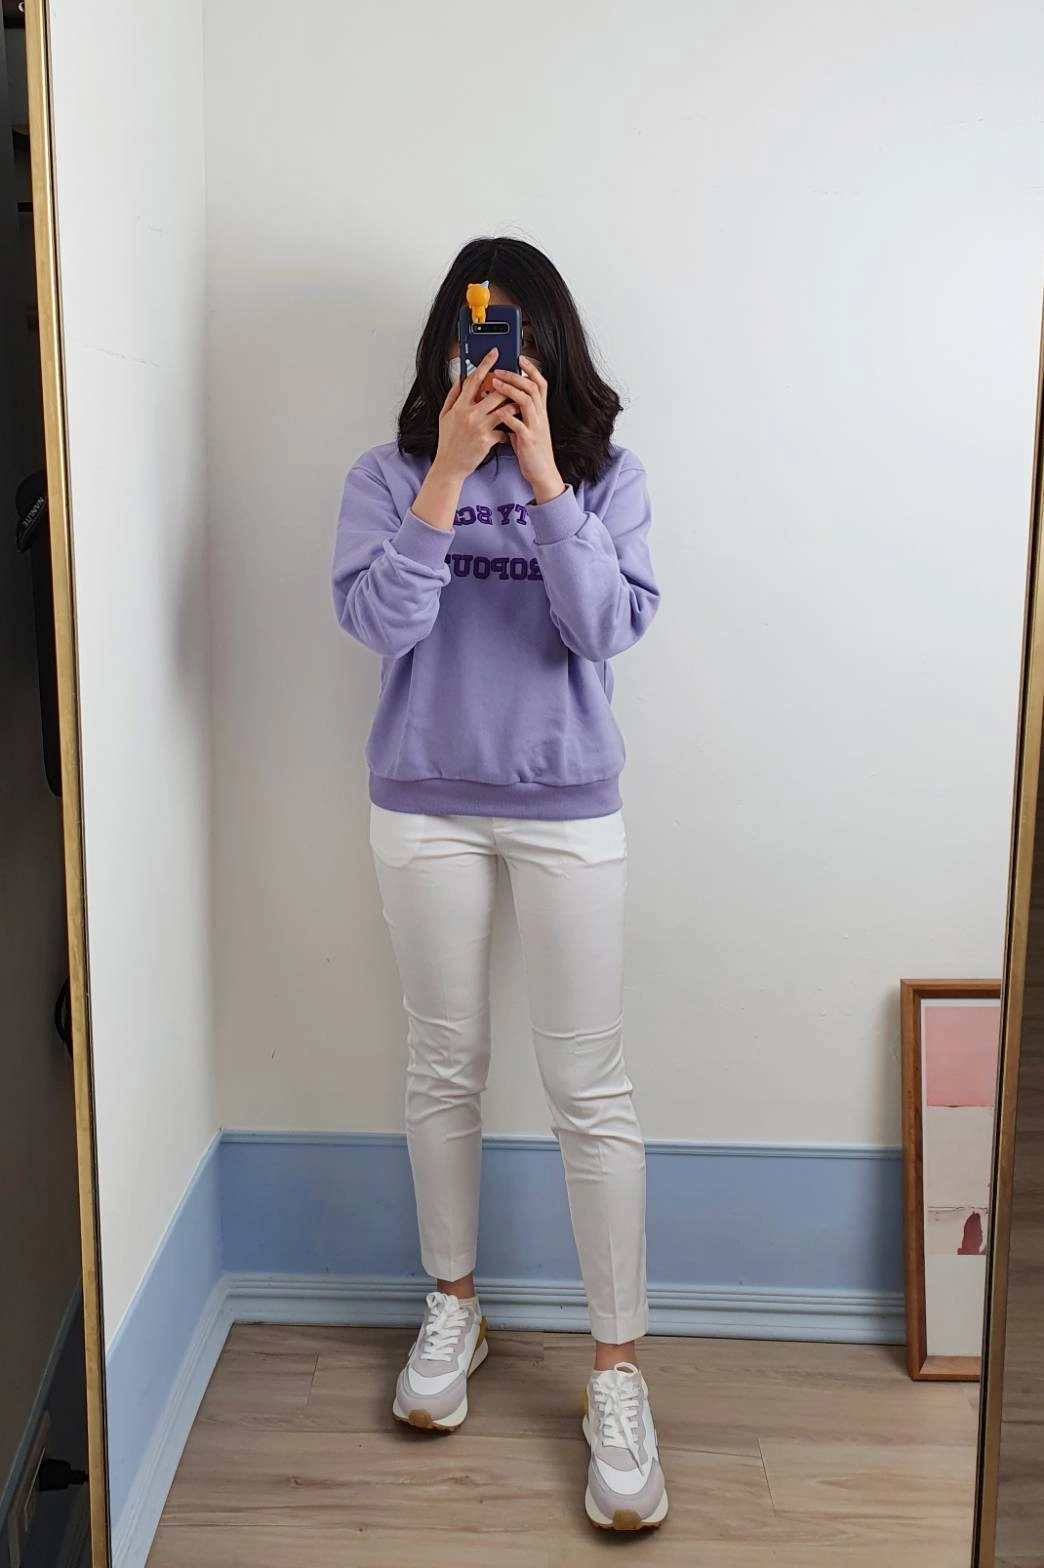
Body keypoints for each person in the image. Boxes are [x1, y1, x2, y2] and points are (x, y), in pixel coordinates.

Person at [331, 236, 666, 1531]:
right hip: (424, 805)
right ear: (448, 348)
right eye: (477, 337)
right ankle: (454, 1307)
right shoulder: (389, 475)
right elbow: (379, 624)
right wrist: (447, 475)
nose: (495, 360)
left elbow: (606, 627)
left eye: (515, 338)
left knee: (591, 1088)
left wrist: (540, 482)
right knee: (443, 1063)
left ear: (547, 348)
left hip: (568, 805)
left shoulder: (607, 479)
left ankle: (617, 1372)